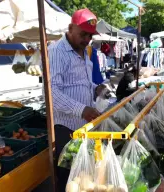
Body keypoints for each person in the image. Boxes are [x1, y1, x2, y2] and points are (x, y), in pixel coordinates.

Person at [48, 8, 106, 191]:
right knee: (69, 180)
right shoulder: (58, 51)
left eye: (90, 36)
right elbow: (52, 92)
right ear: (70, 28)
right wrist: (82, 109)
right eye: (83, 35)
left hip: (84, 126)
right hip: (66, 128)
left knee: (84, 178)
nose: (87, 39)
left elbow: (82, 82)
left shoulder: (85, 51)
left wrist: (96, 88)